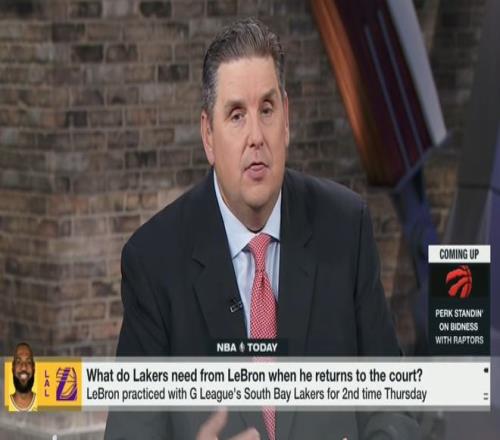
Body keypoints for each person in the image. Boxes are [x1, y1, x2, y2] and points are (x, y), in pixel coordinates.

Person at [105, 18, 418, 440]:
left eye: (267, 110)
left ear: (286, 120)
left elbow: (394, 408)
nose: (256, 136)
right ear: (208, 136)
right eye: (237, 115)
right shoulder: (154, 263)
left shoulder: (345, 228)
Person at [9, 342, 38, 412]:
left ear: (34, 368)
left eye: (28, 362)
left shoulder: (45, 405)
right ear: (13, 368)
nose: (24, 367)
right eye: (18, 362)